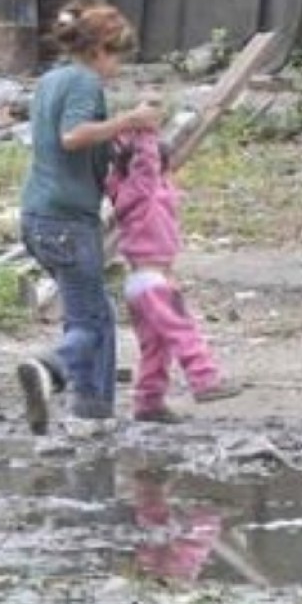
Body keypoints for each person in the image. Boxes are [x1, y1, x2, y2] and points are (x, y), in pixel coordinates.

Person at [16, 6, 162, 434]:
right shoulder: (84, 81)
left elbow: (69, 141)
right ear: (99, 50)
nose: (117, 69)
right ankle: (51, 368)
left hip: (37, 217)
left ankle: (92, 409)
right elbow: (73, 136)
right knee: (91, 322)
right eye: (117, 57)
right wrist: (130, 120)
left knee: (93, 311)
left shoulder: (50, 80)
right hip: (68, 221)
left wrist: (116, 141)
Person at [104, 123, 242, 423]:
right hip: (154, 280)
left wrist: (122, 135)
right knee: (182, 330)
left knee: (155, 346)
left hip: (139, 281)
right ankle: (204, 379)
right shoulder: (144, 190)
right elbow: (146, 162)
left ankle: (148, 402)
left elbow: (128, 165)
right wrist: (145, 129)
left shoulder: (122, 189)